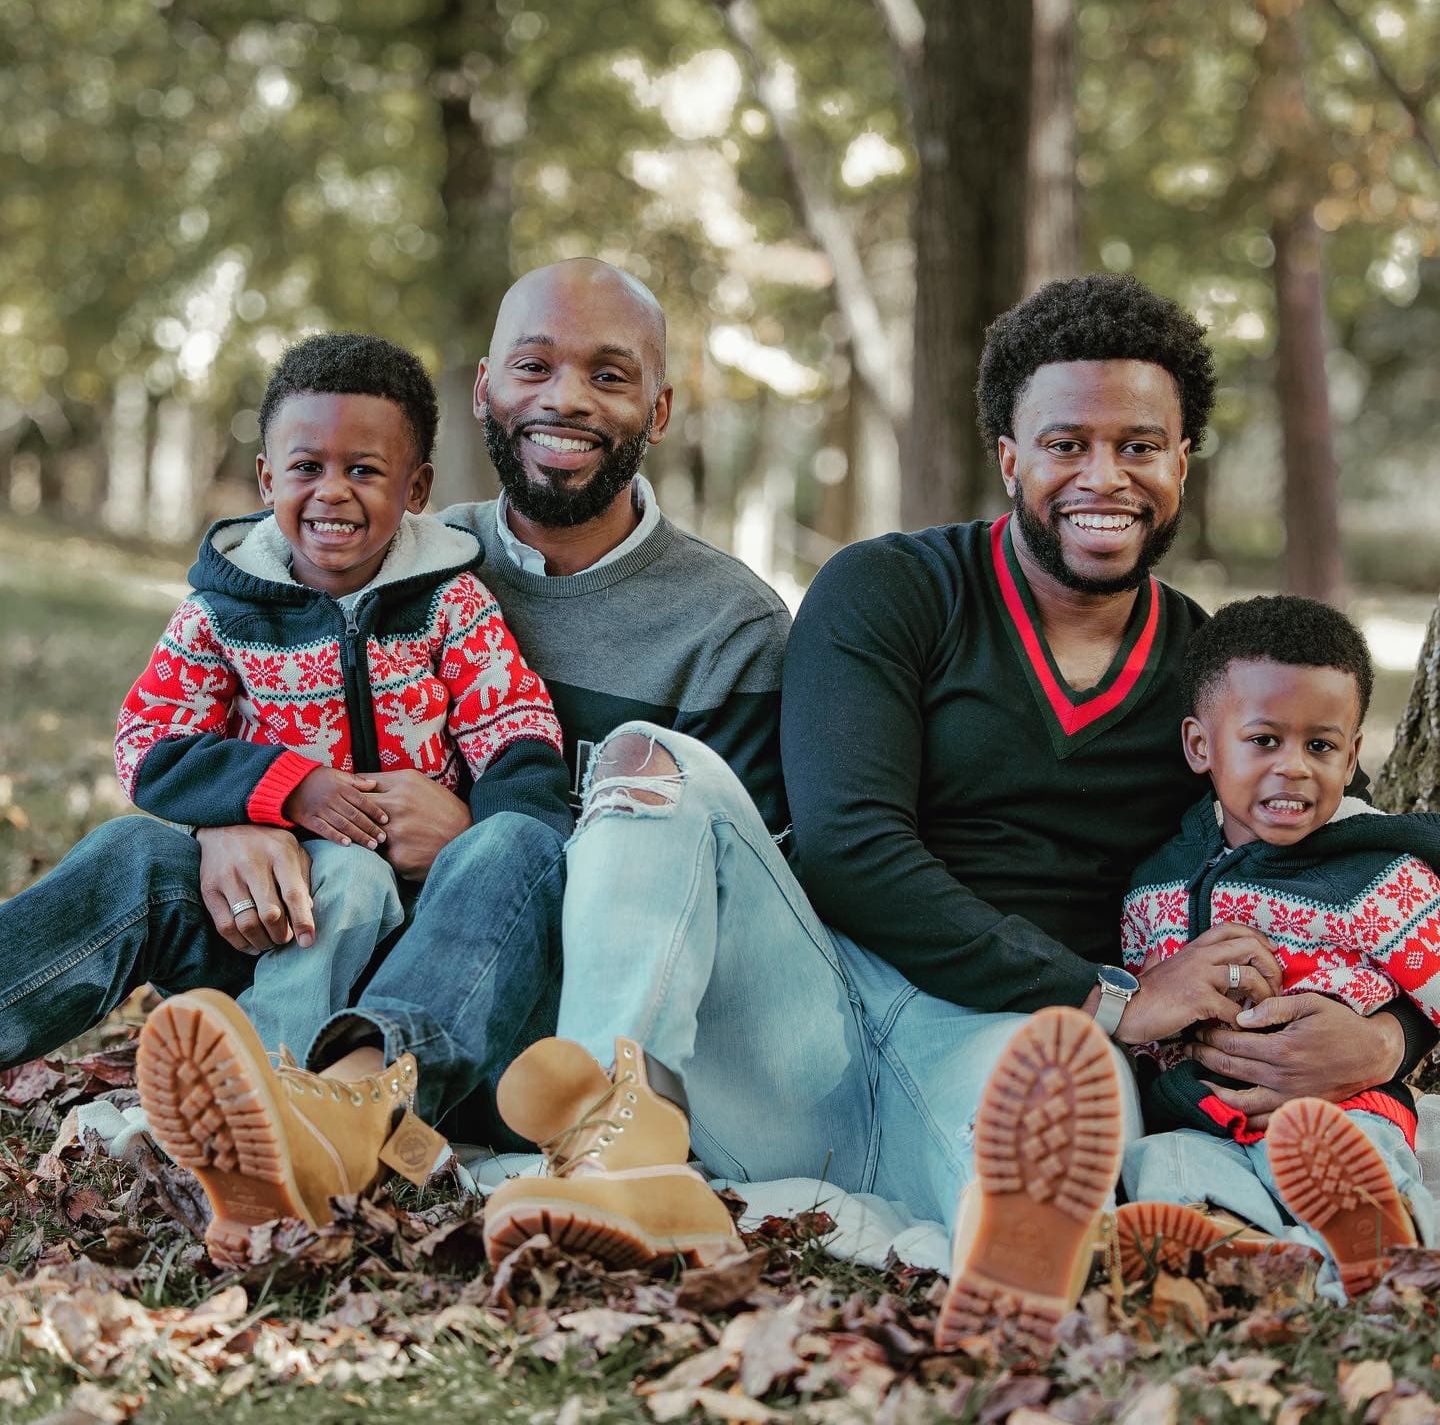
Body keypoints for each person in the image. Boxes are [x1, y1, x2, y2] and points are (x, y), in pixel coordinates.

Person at [475, 273, 1437, 1354]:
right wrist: (1118, 1000)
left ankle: (1025, 1267)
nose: (1103, 477)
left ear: (1181, 463)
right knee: (655, 765)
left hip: (1014, 1043)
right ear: (1009, 455)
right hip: (808, 1014)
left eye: (1140, 446)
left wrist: (1389, 1036)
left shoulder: (1214, 673)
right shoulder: (889, 590)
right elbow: (848, 853)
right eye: (1066, 443)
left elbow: (1353, 856)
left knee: (1045, 1116)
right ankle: (613, 1137)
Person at [79, 258, 788, 1260]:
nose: (565, 399)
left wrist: (480, 834)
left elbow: (721, 901)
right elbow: (238, 703)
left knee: (503, 847)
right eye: (533, 366)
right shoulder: (402, 553)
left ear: (660, 409)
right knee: (129, 858)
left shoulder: (732, 626)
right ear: (484, 389)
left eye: (610, 376)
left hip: (529, 1008)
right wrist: (230, 815)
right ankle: (269, 1094)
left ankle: (349, 1106)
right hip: (324, 918)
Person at [114, 332, 569, 1059]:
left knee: (360, 874)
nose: (332, 492)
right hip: (257, 906)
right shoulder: (222, 613)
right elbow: (147, 742)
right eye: (306, 467)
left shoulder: (450, 606)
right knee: (128, 852)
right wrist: (284, 792)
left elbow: (518, 729)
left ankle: (273, 1081)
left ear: (415, 490)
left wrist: (475, 846)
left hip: (428, 937)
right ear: (267, 479)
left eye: (364, 470)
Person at [1115, 595, 1438, 1297]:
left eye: (1320, 746)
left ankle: (1381, 1246)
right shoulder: (1154, 887)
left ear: (1352, 755)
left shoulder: (1379, 880)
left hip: (1344, 1107)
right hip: (1205, 1115)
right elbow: (1141, 1015)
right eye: (1264, 741)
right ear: (1201, 746)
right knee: (1164, 1165)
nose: (1294, 768)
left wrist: (1385, 1040)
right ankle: (1228, 1252)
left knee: (1354, 1153)